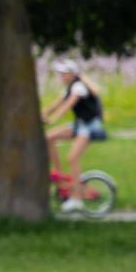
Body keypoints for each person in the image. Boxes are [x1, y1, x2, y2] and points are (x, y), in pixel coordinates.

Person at [42, 58, 108, 212]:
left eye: (65, 73)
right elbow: (56, 104)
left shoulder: (79, 87)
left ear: (73, 74)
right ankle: (59, 176)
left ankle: (77, 199)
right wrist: (42, 113)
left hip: (90, 126)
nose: (62, 77)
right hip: (80, 125)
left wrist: (52, 119)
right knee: (48, 137)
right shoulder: (70, 88)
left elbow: (67, 106)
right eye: (61, 74)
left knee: (72, 158)